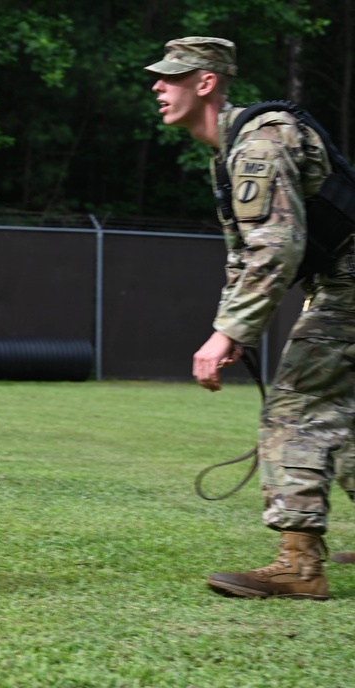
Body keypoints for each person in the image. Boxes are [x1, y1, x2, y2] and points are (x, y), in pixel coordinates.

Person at [145, 36, 355, 600]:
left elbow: (276, 248)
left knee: (297, 410)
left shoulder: (256, 148)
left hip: (348, 286)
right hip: (341, 282)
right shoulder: (235, 148)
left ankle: (299, 567)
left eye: (171, 77)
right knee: (344, 419)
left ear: (206, 83)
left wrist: (226, 333)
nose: (158, 87)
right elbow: (248, 255)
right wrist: (233, 326)